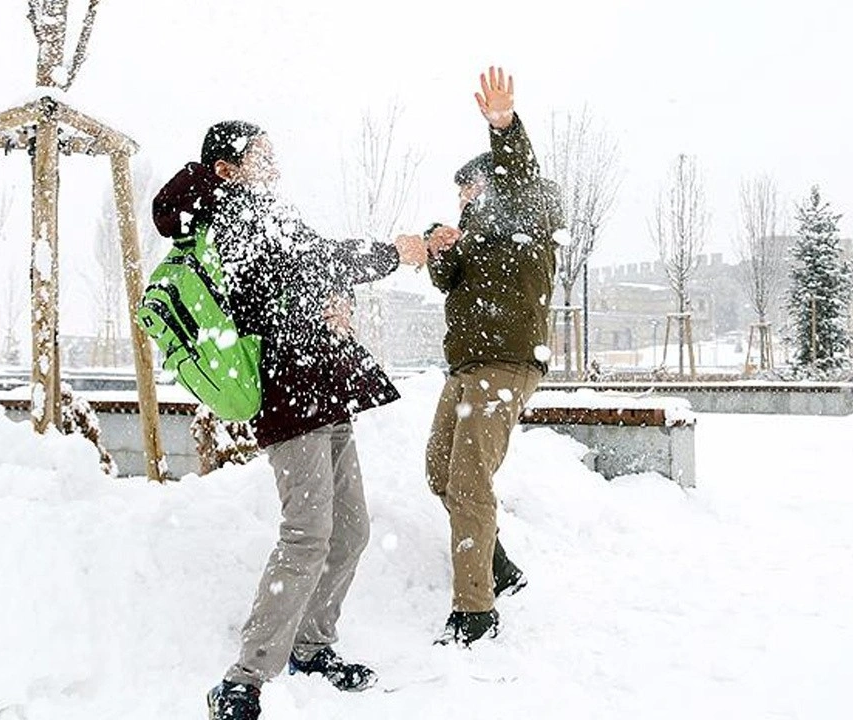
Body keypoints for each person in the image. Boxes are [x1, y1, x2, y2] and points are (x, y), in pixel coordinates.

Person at [151, 121, 428, 720]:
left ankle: (312, 647)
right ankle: (243, 679)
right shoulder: (227, 216)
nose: (275, 165)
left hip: (322, 387)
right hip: (288, 395)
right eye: (262, 156)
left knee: (350, 530)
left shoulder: (263, 210)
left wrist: (337, 301)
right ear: (228, 169)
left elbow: (306, 277)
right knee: (307, 534)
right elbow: (307, 267)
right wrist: (390, 255)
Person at [423, 67, 563, 646]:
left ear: (494, 184)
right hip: (467, 368)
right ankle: (498, 565)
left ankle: (475, 611)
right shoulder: (474, 236)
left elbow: (520, 175)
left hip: (506, 365)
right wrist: (438, 247)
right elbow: (446, 281)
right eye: (459, 195)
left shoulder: (529, 213)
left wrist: (503, 126)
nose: (464, 200)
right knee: (440, 471)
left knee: (469, 480)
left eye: (470, 190)